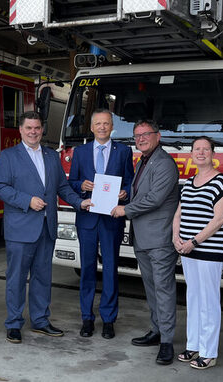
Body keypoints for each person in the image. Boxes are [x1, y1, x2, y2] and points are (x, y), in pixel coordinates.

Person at [0, 111, 93, 344]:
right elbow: (0, 187)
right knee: (16, 278)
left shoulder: (51, 156)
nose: (33, 132)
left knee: (42, 277)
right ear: (20, 130)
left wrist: (80, 202)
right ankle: (14, 324)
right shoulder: (9, 156)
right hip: (20, 228)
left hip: (46, 227)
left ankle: (40, 320)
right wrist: (26, 200)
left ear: (42, 130)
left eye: (37, 128)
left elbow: (63, 187)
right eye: (28, 128)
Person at [111, 120, 180, 365]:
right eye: (137, 135)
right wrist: (125, 194)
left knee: (163, 289)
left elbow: (154, 199)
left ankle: (167, 343)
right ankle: (156, 329)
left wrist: (125, 209)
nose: (140, 139)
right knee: (151, 288)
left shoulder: (164, 163)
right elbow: (142, 192)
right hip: (143, 238)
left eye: (145, 134)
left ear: (157, 136)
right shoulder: (143, 161)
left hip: (160, 238)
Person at [67, 109, 134, 339]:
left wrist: (126, 192)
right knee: (86, 269)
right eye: (98, 123)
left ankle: (108, 319)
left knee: (110, 270)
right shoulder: (81, 152)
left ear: (112, 125)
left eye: (106, 123)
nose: (102, 127)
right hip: (87, 218)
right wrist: (81, 187)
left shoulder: (123, 151)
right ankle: (87, 318)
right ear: (92, 127)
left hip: (111, 218)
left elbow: (131, 181)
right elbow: (71, 182)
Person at [173, 136, 223, 370]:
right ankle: (194, 345)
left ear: (213, 153)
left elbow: (218, 220)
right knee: (193, 298)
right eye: (197, 149)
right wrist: (175, 238)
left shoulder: (221, 182)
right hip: (188, 250)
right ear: (191, 153)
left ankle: (209, 352)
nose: (201, 152)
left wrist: (193, 242)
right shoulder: (189, 182)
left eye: (205, 149)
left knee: (209, 301)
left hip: (208, 251)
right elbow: (178, 213)